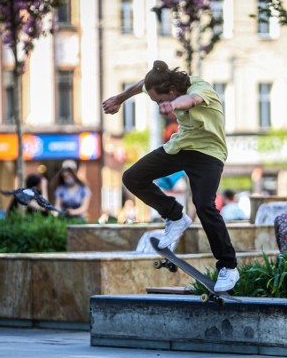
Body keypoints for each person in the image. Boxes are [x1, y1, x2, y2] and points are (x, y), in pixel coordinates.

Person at [102, 60, 239, 292]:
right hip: (180, 147)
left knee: (204, 205)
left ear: (172, 91)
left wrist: (174, 104)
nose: (158, 105)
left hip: (209, 154)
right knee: (132, 177)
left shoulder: (200, 88)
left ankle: (228, 266)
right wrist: (119, 99)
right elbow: (140, 85)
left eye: (160, 101)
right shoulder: (159, 84)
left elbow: (192, 100)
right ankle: (175, 216)